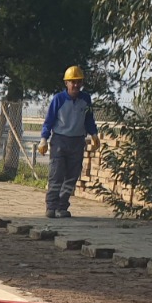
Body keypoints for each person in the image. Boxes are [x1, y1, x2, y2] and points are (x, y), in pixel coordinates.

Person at [38, 65, 98, 218]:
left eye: (78, 82)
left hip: (77, 141)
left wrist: (94, 134)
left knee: (71, 176)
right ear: (66, 83)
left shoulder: (85, 99)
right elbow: (49, 120)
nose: (76, 85)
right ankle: (51, 206)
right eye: (73, 82)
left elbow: (89, 119)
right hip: (59, 140)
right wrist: (44, 139)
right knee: (56, 175)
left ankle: (62, 207)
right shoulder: (58, 99)